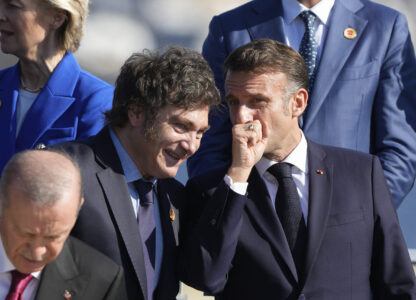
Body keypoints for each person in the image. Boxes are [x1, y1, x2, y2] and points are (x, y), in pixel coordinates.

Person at [180, 39, 416, 299]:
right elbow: (207, 278)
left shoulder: (361, 173)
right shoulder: (212, 189)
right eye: (235, 102)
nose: (242, 117)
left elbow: (397, 282)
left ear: (298, 103)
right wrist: (238, 176)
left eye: (257, 101)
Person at [187, 0, 416, 207]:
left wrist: (360, 216)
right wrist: (237, 212)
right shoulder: (230, 28)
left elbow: (400, 149)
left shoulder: (384, 27)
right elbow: (208, 139)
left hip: (348, 221)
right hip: (255, 224)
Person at [54, 47, 220, 300]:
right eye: (181, 126)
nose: (191, 146)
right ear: (136, 112)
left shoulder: (174, 196)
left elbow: (207, 275)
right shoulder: (66, 169)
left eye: (200, 132)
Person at [0, 0, 113, 175]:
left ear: (57, 18)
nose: (1, 15)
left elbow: (90, 189)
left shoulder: (95, 100)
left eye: (13, 6)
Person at [0, 150, 125, 299]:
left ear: (76, 212)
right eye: (26, 233)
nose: (36, 252)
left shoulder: (102, 282)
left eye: (53, 237)